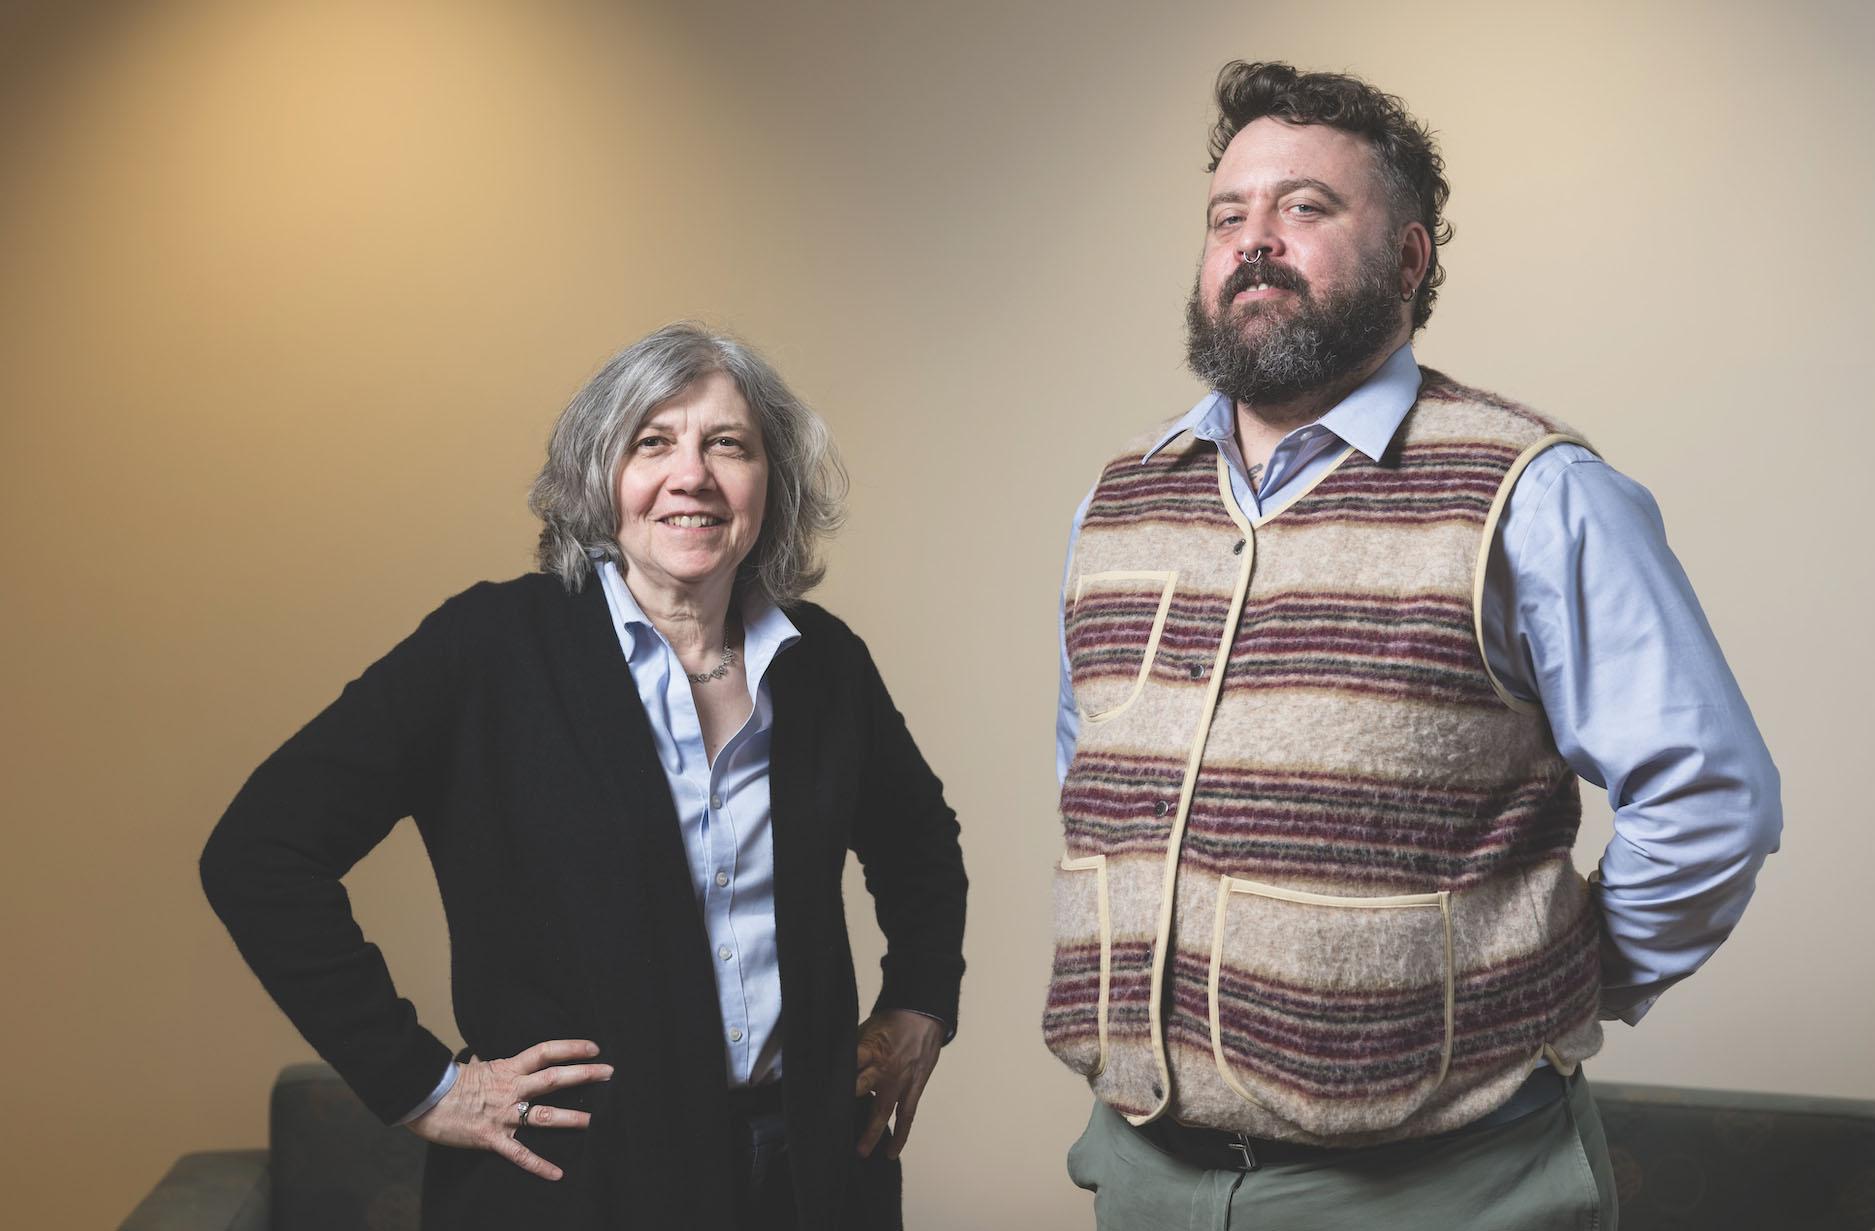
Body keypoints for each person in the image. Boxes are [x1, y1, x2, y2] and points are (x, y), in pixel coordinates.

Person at [1046, 61, 1780, 1228]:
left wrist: (1556, 994)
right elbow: (1095, 776)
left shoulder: (1532, 492)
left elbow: (1708, 799)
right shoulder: (1120, 500)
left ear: (1407, 258)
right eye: (1226, 215)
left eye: (1304, 208)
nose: (1254, 240)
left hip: (1440, 1189)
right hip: (1142, 1174)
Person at [202, 322, 968, 1231]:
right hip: (580, 1192)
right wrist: (421, 1084)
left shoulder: (824, 663)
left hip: (810, 1180)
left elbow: (921, 846)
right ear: (599, 477)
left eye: (729, 444)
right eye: (653, 442)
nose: (693, 474)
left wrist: (920, 1001)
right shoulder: (489, 650)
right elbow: (259, 850)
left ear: (773, 482)